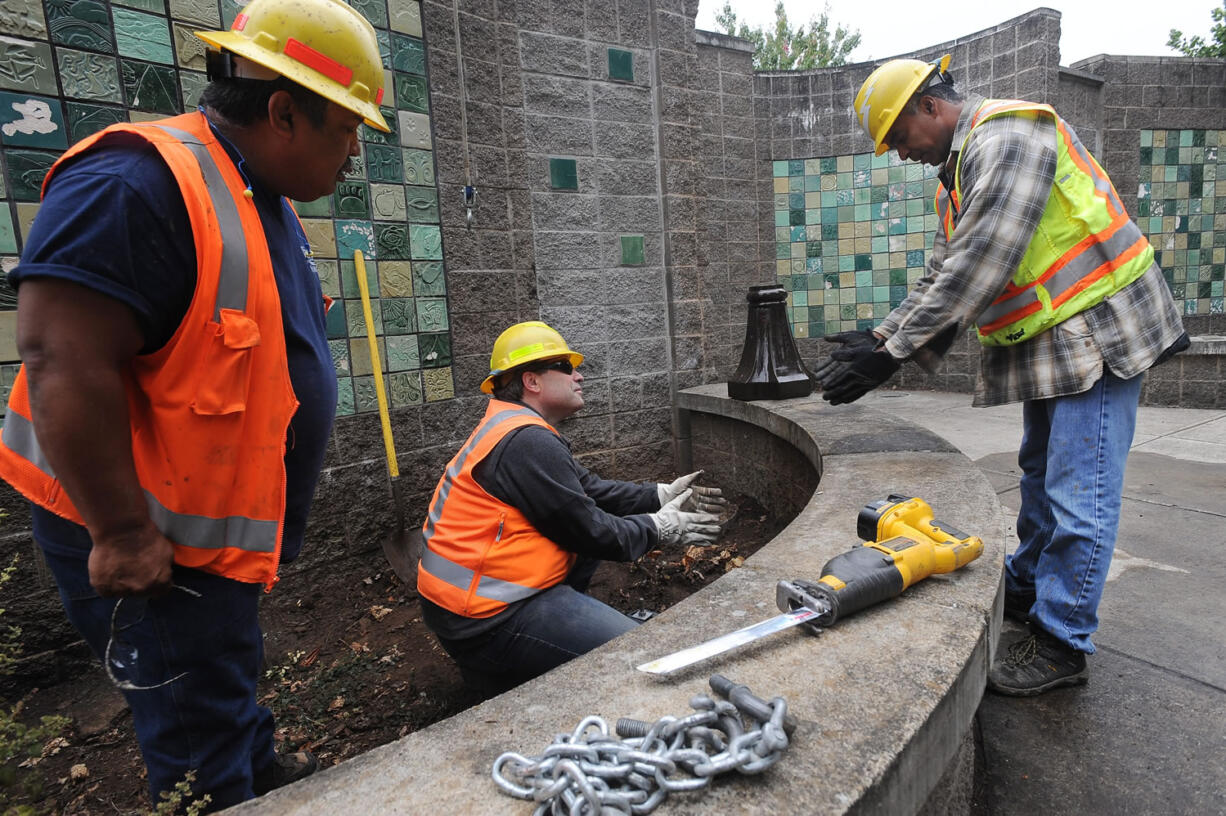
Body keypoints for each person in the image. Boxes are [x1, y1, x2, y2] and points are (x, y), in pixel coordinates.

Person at [0, 0, 390, 807]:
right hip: (151, 551)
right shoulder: (133, 185)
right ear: (284, 110)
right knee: (190, 731)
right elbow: (58, 356)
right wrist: (119, 533)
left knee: (220, 676)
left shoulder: (256, 195)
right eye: (345, 126)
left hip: (203, 548)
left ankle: (261, 774)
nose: (355, 149)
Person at [817, 56, 1188, 696]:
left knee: (1082, 495)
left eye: (901, 138)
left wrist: (896, 353)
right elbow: (946, 270)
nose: (901, 155)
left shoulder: (1009, 138)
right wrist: (883, 335)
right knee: (1041, 477)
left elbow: (984, 257)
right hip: (1057, 342)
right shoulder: (957, 176)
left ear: (930, 107)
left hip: (1099, 334)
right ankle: (1029, 584)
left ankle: (1061, 639)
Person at [416, 321, 725, 693]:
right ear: (532, 381)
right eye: (566, 367)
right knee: (646, 656)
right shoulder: (528, 443)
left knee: (581, 543)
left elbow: (587, 490)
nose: (579, 376)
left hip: (473, 607)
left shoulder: (514, 427)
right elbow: (592, 531)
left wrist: (658, 494)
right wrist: (659, 527)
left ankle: (553, 646)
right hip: (487, 623)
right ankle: (513, 670)